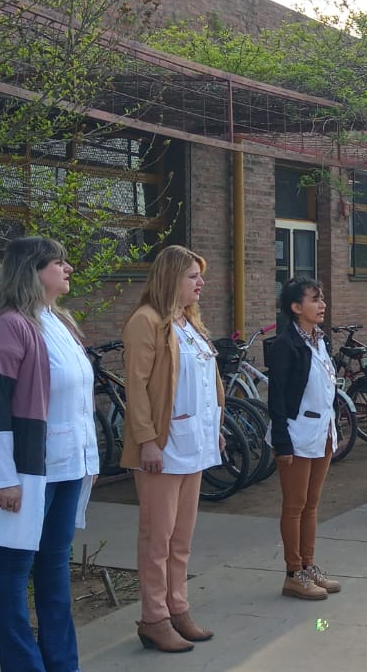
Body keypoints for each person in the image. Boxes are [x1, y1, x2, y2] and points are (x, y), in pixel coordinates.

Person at [0, 237, 98, 671]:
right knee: (13, 569)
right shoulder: (8, 326)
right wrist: (4, 478)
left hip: (67, 466)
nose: (68, 268)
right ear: (32, 271)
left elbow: (78, 400)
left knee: (54, 568)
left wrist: (89, 459)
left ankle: (62, 664)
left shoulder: (60, 322)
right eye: (59, 262)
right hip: (26, 472)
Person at [121, 245, 224, 651]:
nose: (201, 283)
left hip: (194, 443)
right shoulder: (145, 321)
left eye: (200, 276)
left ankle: (178, 607)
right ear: (170, 278)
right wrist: (147, 440)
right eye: (192, 276)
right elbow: (137, 387)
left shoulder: (189, 322)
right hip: (163, 447)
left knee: (181, 538)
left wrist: (216, 428)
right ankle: (154, 617)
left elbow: (208, 384)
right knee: (157, 538)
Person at [264, 276, 343, 601]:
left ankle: (308, 565)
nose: (322, 304)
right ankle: (293, 572)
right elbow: (277, 397)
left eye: (321, 298)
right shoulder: (285, 345)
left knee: (311, 505)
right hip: (297, 435)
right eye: (315, 299)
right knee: (295, 505)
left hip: (322, 432)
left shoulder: (321, 341)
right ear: (296, 307)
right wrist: (282, 441)